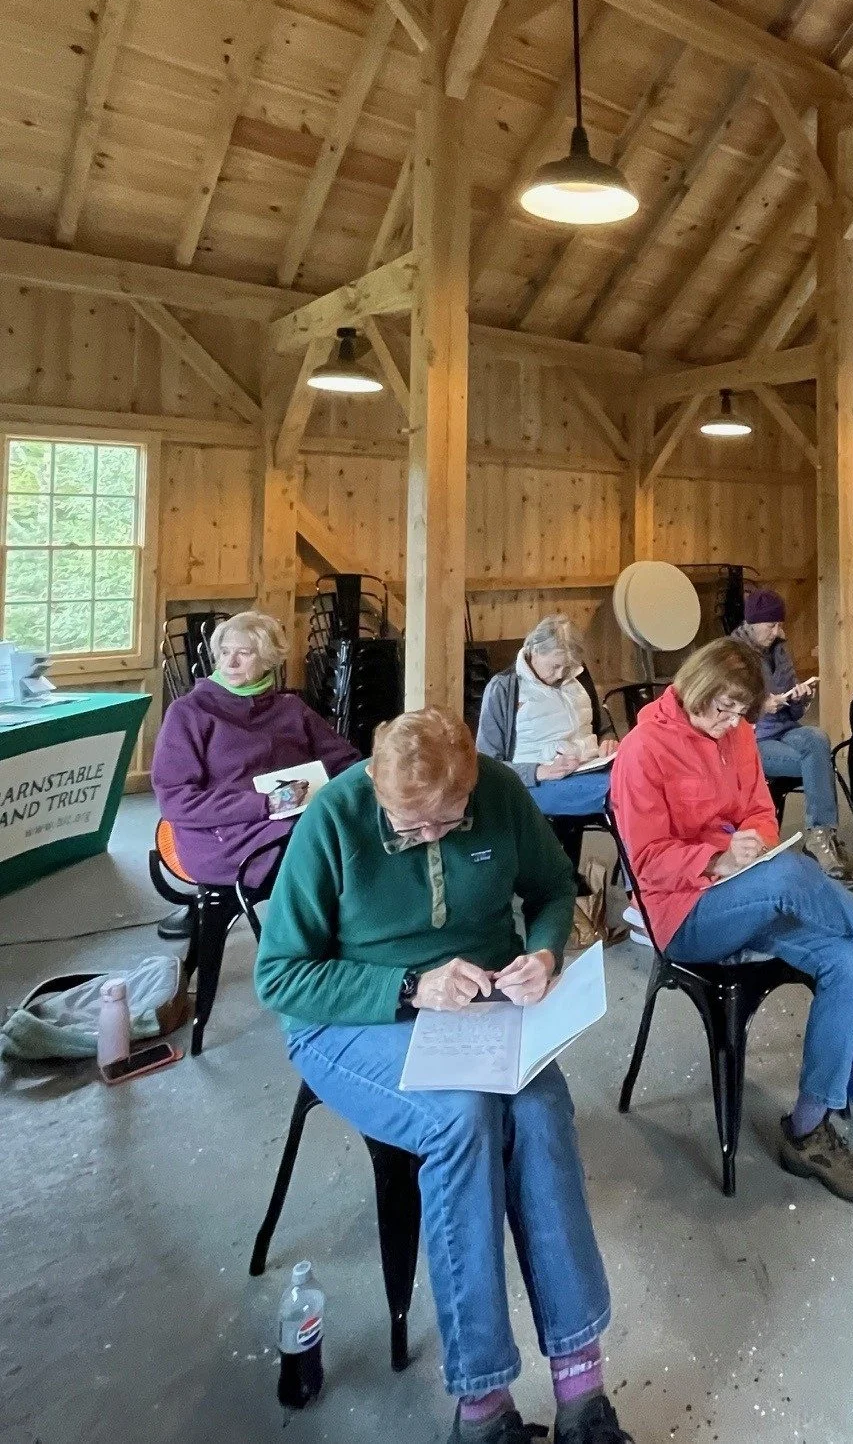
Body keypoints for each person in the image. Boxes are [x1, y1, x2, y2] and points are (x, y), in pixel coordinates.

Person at [254, 708, 633, 1444]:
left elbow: (554, 889)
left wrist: (546, 956)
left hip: (479, 1004)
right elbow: (280, 977)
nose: (428, 836)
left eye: (445, 822)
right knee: (459, 1116)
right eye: (410, 827)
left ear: (471, 786)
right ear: (376, 786)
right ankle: (483, 1405)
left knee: (540, 1110)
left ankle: (581, 1385)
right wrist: (408, 986)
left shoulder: (495, 789)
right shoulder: (335, 815)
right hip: (356, 1015)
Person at [610, 637, 853, 1205]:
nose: (730, 723)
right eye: (721, 709)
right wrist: (714, 858)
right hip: (683, 912)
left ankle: (807, 1129)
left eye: (741, 712)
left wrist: (756, 839)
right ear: (693, 688)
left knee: (846, 962)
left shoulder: (736, 734)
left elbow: (759, 808)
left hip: (746, 890)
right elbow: (646, 865)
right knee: (790, 876)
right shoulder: (643, 750)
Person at [151, 610, 359, 938]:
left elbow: (345, 762)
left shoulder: (291, 709)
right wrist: (265, 805)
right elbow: (177, 802)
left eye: (243, 653)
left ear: (267, 659)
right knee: (318, 853)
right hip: (221, 836)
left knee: (355, 837)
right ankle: (301, 955)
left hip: (292, 819)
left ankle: (353, 941)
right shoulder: (190, 713)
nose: (230, 663)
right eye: (224, 653)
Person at [732, 588, 853, 888]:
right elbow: (722, 707)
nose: (777, 632)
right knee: (815, 759)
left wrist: (799, 698)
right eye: (770, 626)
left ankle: (820, 834)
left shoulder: (779, 649)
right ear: (751, 624)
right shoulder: (732, 655)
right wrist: (758, 706)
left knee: (816, 736)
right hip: (750, 740)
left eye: (779, 625)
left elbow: (793, 712)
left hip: (783, 729)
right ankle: (820, 837)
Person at [476, 616, 616, 869]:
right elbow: (485, 762)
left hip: (590, 766)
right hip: (537, 782)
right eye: (555, 666)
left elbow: (603, 726)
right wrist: (540, 771)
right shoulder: (504, 688)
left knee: (646, 779)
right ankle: (644, 889)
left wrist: (609, 741)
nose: (561, 675)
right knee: (624, 794)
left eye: (568, 667)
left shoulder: (577, 675)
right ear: (533, 652)